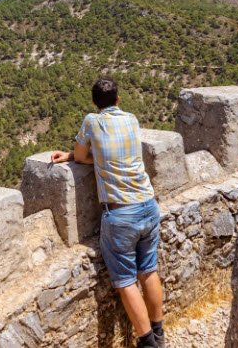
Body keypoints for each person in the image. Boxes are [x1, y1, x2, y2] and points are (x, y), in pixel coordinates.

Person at [51, 77, 165, 348]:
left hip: (121, 214)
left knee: (125, 281)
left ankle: (148, 344)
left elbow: (81, 156)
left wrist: (71, 156)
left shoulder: (92, 121)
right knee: (149, 271)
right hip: (149, 205)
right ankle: (160, 334)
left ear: (94, 103)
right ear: (118, 99)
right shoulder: (132, 119)